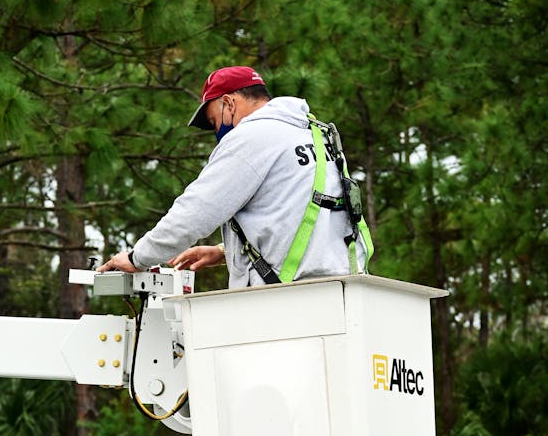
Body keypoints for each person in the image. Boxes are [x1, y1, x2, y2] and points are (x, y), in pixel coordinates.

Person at [98, 65, 371, 288]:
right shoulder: (316, 134)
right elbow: (303, 219)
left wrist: (138, 257)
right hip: (344, 289)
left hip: (288, 299)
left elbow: (195, 211)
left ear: (229, 102)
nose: (217, 132)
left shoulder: (252, 136)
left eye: (215, 121)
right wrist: (224, 253)